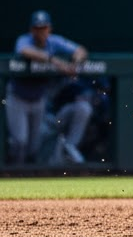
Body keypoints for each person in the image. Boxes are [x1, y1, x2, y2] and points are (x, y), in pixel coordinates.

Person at [5, 10, 88, 164]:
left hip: (38, 98)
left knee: (34, 146)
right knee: (20, 141)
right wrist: (55, 61)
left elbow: (80, 50)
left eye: (44, 28)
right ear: (31, 30)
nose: (41, 32)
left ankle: (30, 173)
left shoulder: (54, 41)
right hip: (18, 96)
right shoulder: (24, 40)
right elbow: (24, 51)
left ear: (49, 28)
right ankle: (13, 172)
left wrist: (74, 64)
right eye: (37, 28)